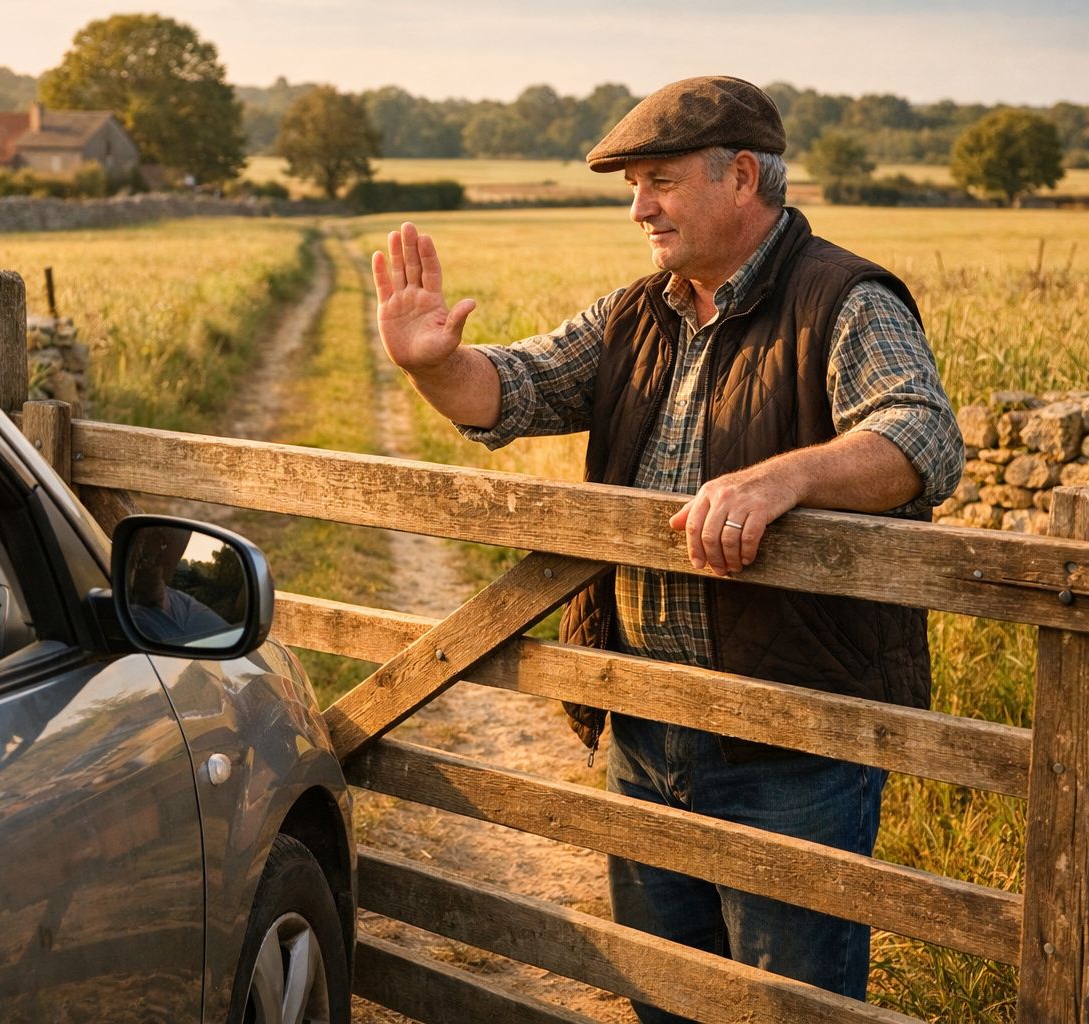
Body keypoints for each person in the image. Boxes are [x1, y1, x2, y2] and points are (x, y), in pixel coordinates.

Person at [371, 76, 963, 1020]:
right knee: (665, 997)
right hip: (643, 725)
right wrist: (435, 365)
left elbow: (922, 436)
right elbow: (513, 390)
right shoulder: (637, 312)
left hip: (791, 741)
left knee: (786, 1008)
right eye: (633, 185)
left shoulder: (844, 299)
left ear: (742, 177)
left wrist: (784, 479)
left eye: (660, 180)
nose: (639, 208)